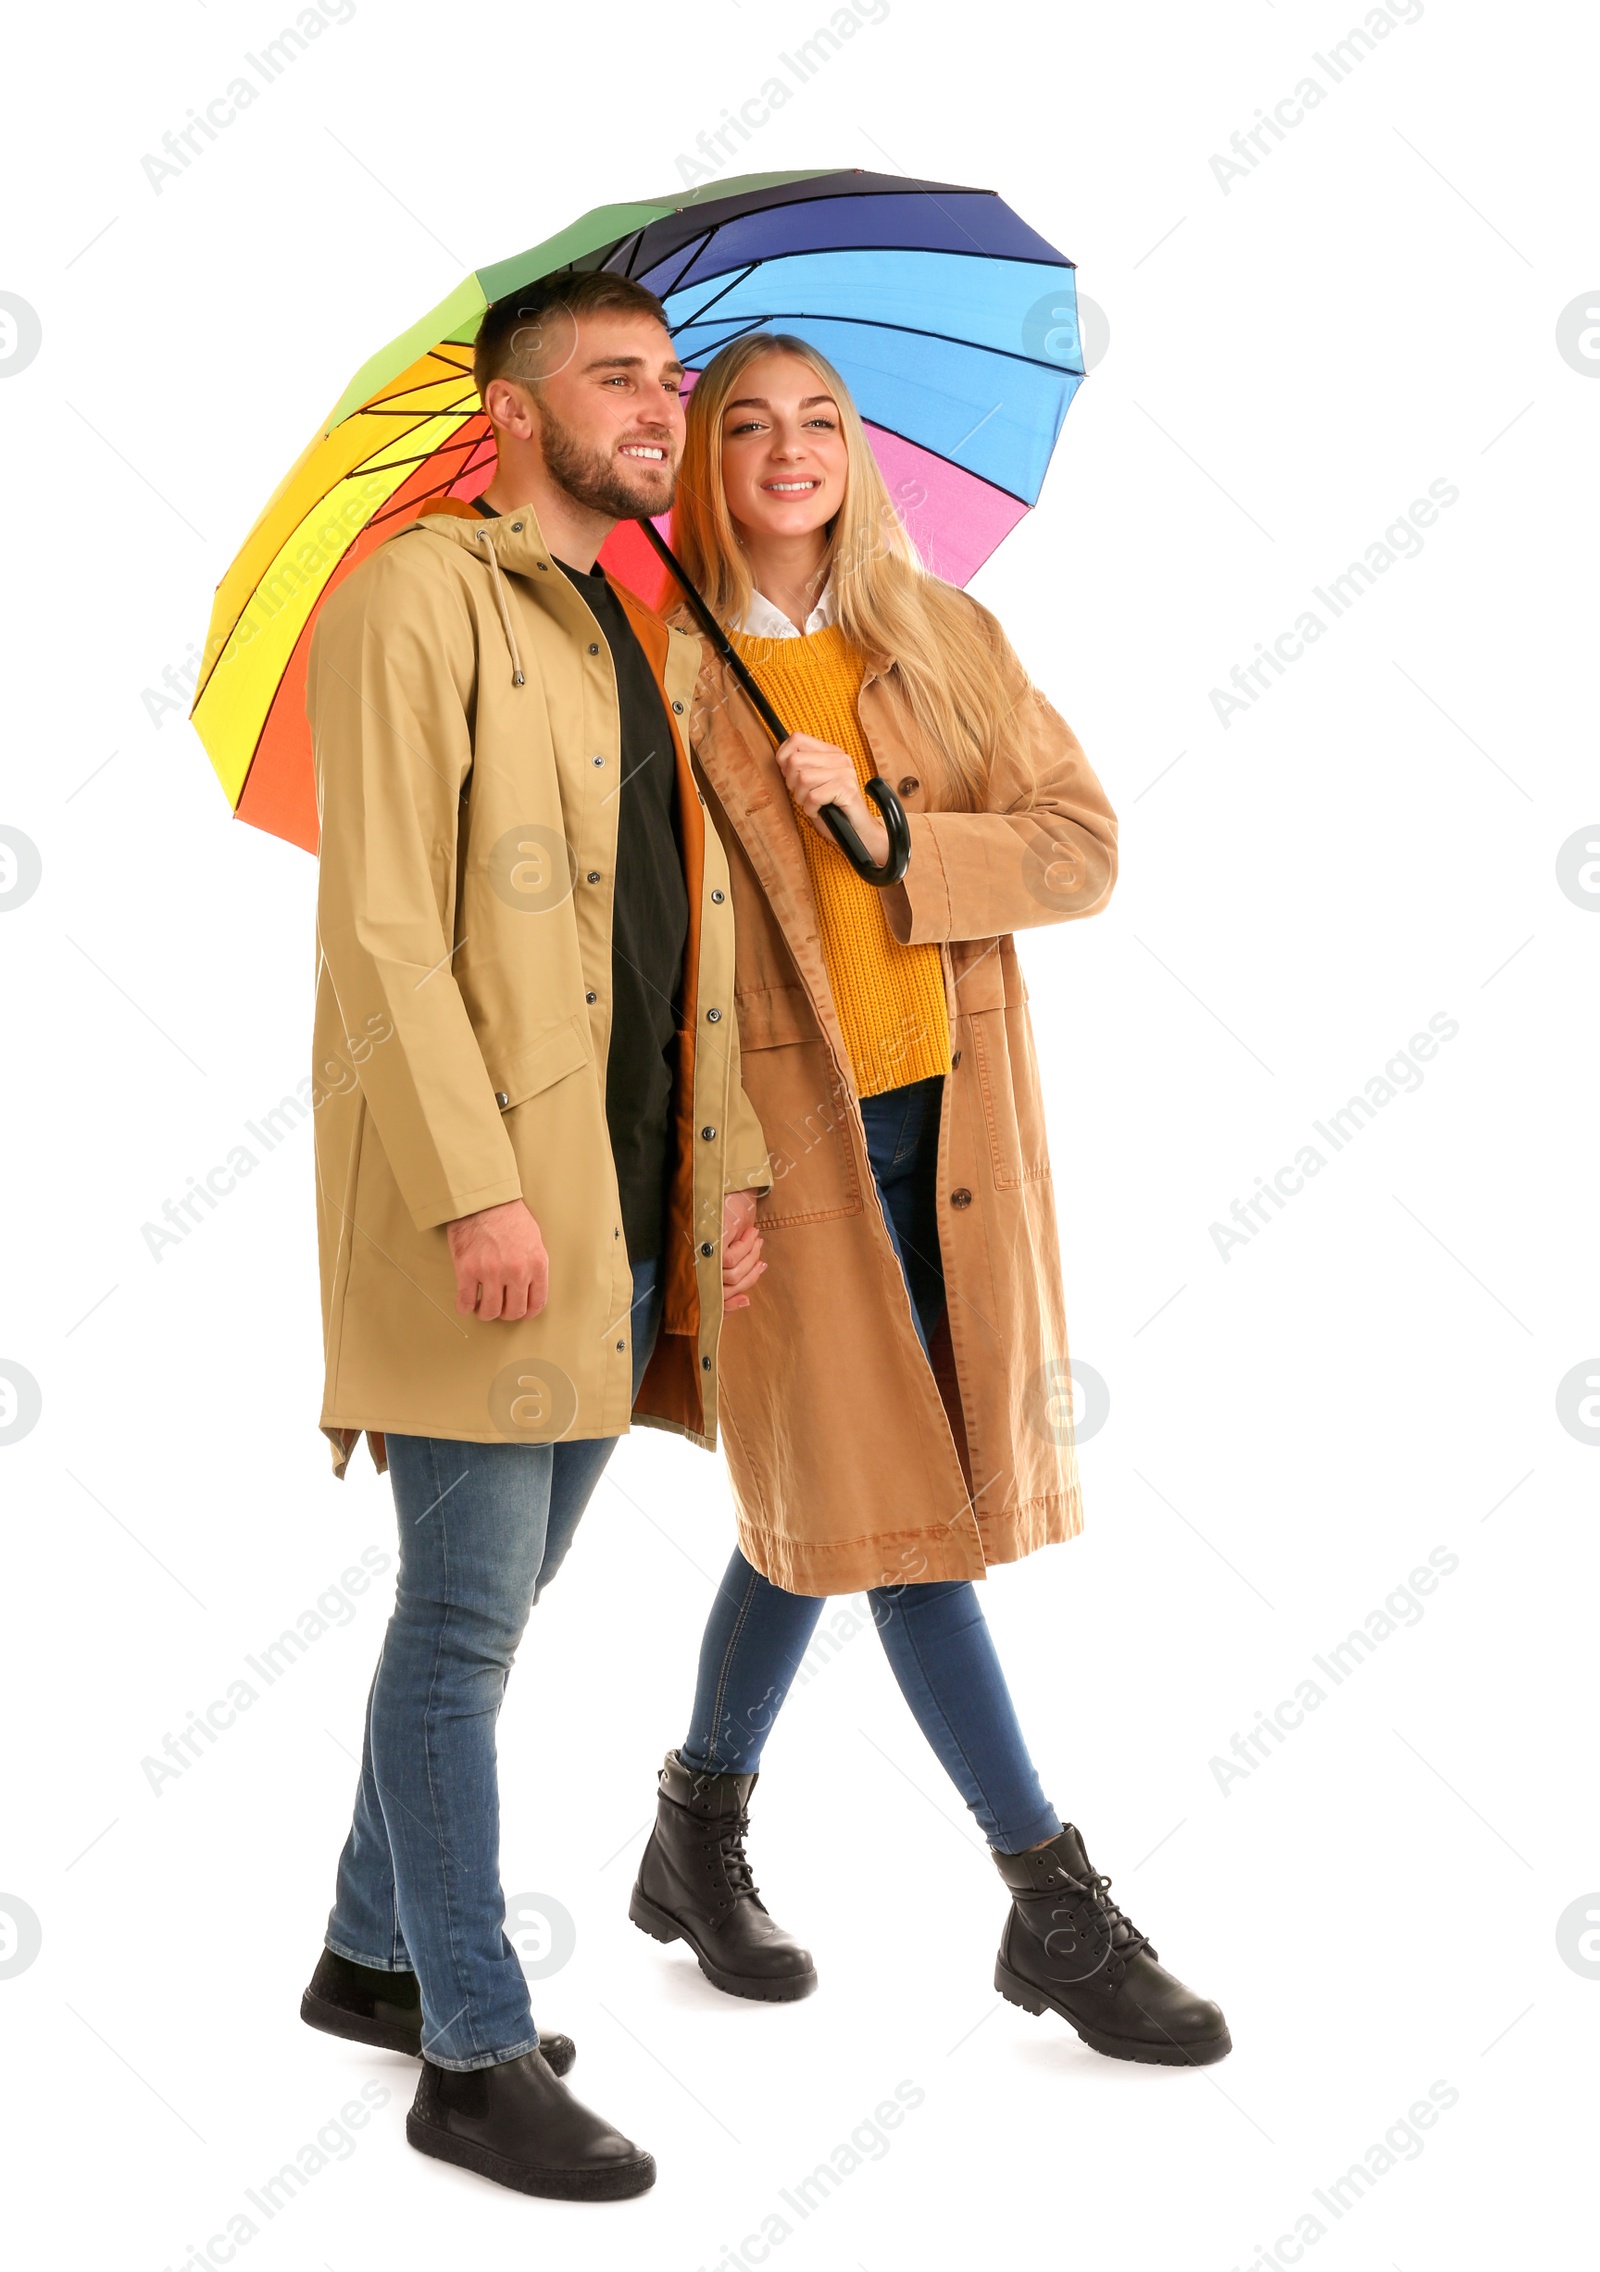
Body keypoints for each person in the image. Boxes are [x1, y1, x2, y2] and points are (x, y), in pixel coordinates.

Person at [628, 333, 1230, 2067]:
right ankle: (1054, 1901)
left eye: (820, 421)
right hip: (784, 1164)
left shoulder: (944, 642)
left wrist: (891, 829)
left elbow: (1082, 846)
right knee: (908, 1521)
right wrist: (700, 1184)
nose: (791, 450)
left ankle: (693, 1821)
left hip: (950, 1144)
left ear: (859, 454)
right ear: (702, 466)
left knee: (846, 1503)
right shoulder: (656, 678)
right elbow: (647, 964)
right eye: (747, 424)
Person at [299, 268, 773, 2199]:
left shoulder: (621, 627)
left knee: (479, 1617)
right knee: (466, 1624)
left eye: (672, 379)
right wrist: (473, 1185)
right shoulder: (422, 600)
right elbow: (387, 924)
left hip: (625, 1208)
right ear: (511, 411)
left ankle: (368, 1956)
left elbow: (680, 943)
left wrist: (719, 1169)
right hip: (491, 1212)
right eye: (616, 380)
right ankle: (471, 2053)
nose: (662, 409)